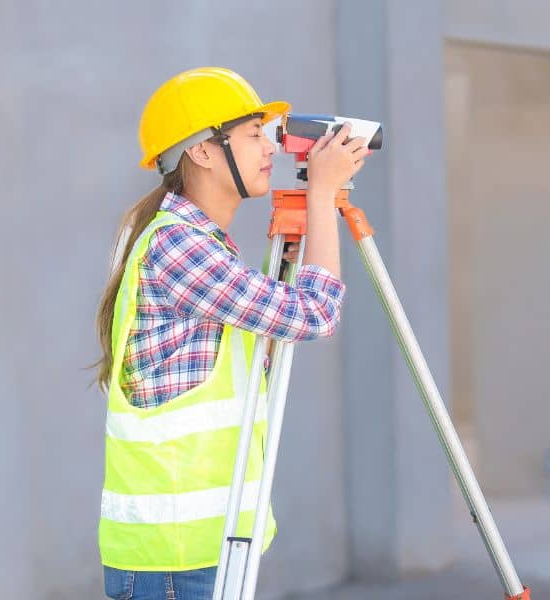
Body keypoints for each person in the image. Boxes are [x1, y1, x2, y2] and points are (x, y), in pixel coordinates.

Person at [93, 67, 367, 600]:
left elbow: (265, 344)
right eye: (252, 133)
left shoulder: (201, 243)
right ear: (202, 150)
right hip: (175, 560)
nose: (270, 147)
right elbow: (315, 314)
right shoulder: (180, 247)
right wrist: (322, 194)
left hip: (201, 550)